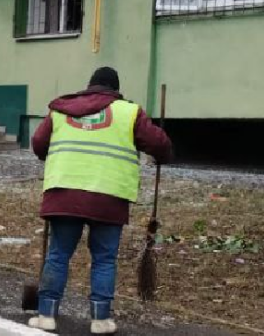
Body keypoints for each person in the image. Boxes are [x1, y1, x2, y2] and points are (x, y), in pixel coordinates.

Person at [28, 67, 173, 335]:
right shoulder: (128, 112)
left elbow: (38, 143)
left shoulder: (61, 110)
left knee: (58, 255)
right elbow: (159, 144)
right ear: (115, 91)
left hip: (64, 195)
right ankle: (100, 320)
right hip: (108, 198)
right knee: (104, 259)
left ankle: (47, 315)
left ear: (89, 86)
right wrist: (164, 150)